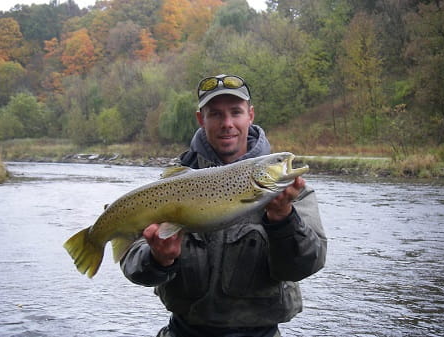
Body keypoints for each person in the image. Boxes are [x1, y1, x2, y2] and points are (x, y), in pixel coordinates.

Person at [120, 74, 327, 337]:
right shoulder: (172, 185)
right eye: (216, 114)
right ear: (200, 120)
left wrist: (284, 221)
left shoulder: (289, 192)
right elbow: (135, 269)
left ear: (250, 115)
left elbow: (304, 266)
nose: (227, 123)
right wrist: (158, 259)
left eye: (236, 112)